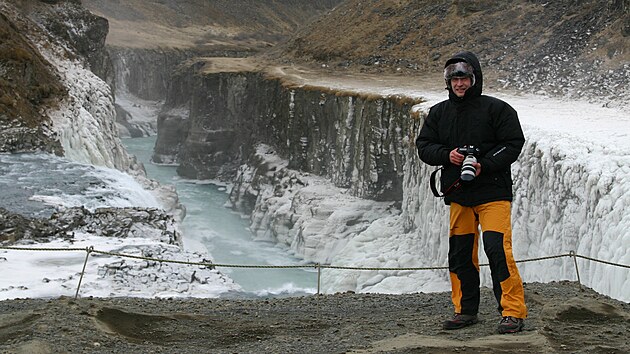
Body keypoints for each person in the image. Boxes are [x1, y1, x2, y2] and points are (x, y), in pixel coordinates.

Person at [415, 51, 527, 334]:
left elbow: (513, 143)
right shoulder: (439, 113)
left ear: (474, 79)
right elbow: (424, 145)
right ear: (448, 82)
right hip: (459, 196)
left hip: (493, 194)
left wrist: (484, 164)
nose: (459, 84)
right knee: (460, 254)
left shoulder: (498, 109)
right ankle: (465, 311)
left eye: (464, 78)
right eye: (454, 79)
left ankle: (512, 312)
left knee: (498, 250)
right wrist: (447, 155)